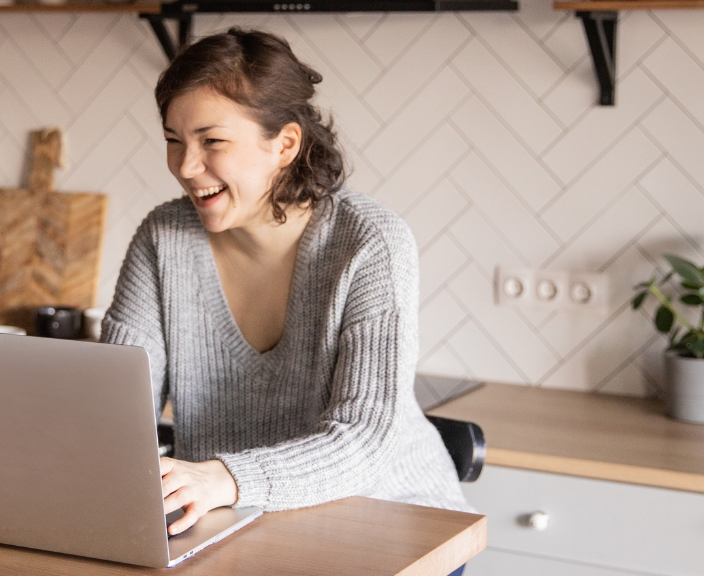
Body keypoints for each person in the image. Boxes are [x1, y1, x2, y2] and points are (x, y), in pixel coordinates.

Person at [100, 27, 474, 540]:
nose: (186, 167)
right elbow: (115, 414)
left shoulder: (368, 243)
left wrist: (224, 478)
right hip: (238, 526)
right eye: (173, 141)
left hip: (393, 524)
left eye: (212, 141)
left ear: (286, 144)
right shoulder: (163, 238)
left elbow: (363, 441)